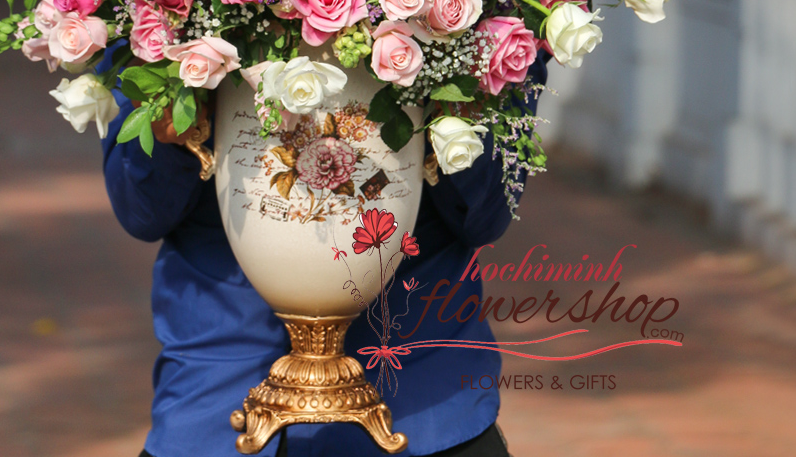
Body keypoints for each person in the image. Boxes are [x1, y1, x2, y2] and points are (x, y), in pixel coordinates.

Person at [101, 55, 547, 457]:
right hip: (216, 397)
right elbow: (142, 211)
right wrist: (170, 122)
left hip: (420, 396)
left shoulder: (491, 7)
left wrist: (463, 101)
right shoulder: (152, 9)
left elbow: (485, 216)